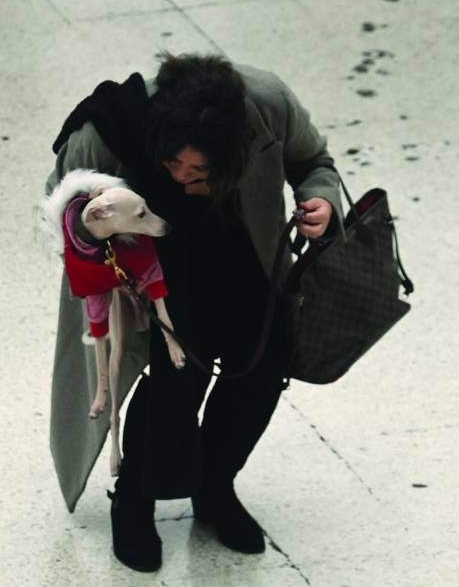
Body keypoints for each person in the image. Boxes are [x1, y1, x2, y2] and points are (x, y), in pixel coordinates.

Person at [46, 53, 344, 572]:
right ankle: (135, 499)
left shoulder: (266, 103)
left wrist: (321, 201)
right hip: (159, 266)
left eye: (200, 170)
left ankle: (215, 488)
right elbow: (61, 204)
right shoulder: (109, 128)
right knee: (175, 382)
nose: (184, 177)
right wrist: (103, 238)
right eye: (173, 165)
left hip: (246, 250)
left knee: (261, 372)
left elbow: (314, 163)